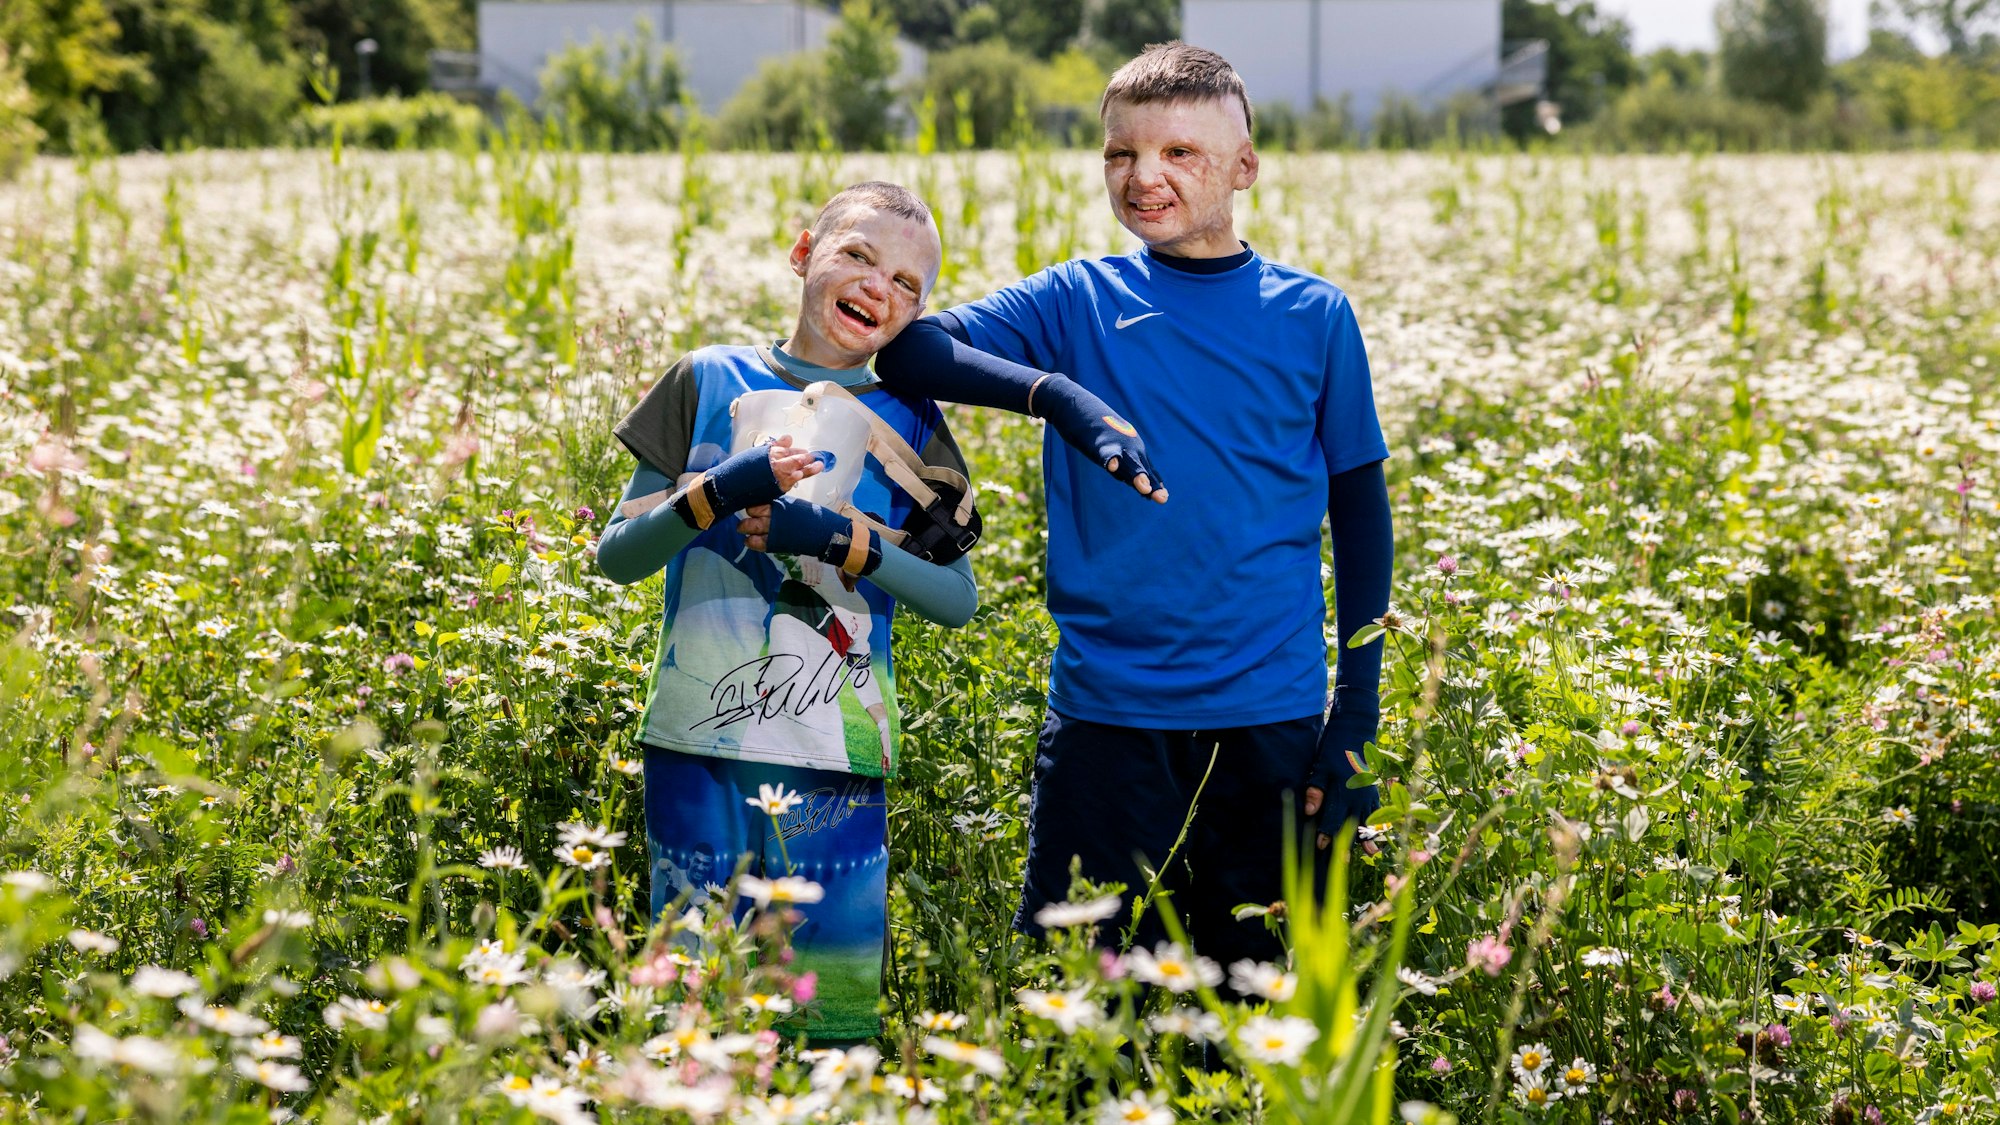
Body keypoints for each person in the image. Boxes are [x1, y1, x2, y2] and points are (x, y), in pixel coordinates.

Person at [871, 44, 1396, 974]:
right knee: (1072, 1006)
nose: (1144, 177)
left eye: (1180, 154)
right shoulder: (1077, 298)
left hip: (1269, 720)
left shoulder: (1313, 314)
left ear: (1245, 167)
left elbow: (1360, 514)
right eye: (1122, 154)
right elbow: (910, 354)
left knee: (1254, 1002)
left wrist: (1356, 712)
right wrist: (1058, 396)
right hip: (1109, 718)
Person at [593, 182, 984, 1042]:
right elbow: (616, 557)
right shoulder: (704, 379)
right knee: (686, 1017)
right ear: (805, 252)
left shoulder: (909, 423)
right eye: (857, 255)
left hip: (838, 759)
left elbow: (960, 597)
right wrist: (719, 491)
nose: (881, 286)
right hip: (697, 747)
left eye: (910, 285)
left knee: (829, 1024)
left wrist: (848, 542)